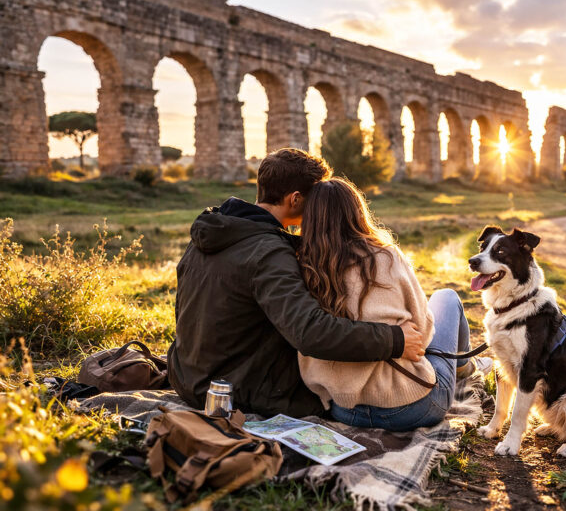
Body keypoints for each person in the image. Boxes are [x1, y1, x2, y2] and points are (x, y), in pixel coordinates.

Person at [167, 149, 423, 418]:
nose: (319, 208)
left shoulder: (213, 231)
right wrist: (395, 339)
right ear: (296, 199)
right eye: (315, 199)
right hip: (240, 392)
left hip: (188, 379)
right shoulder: (268, 253)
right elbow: (310, 331)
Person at [297, 178, 490, 431]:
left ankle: (466, 366)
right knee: (446, 297)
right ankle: (465, 367)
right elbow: (423, 333)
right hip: (412, 408)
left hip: (343, 409)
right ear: (357, 212)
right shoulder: (384, 255)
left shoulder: (303, 265)